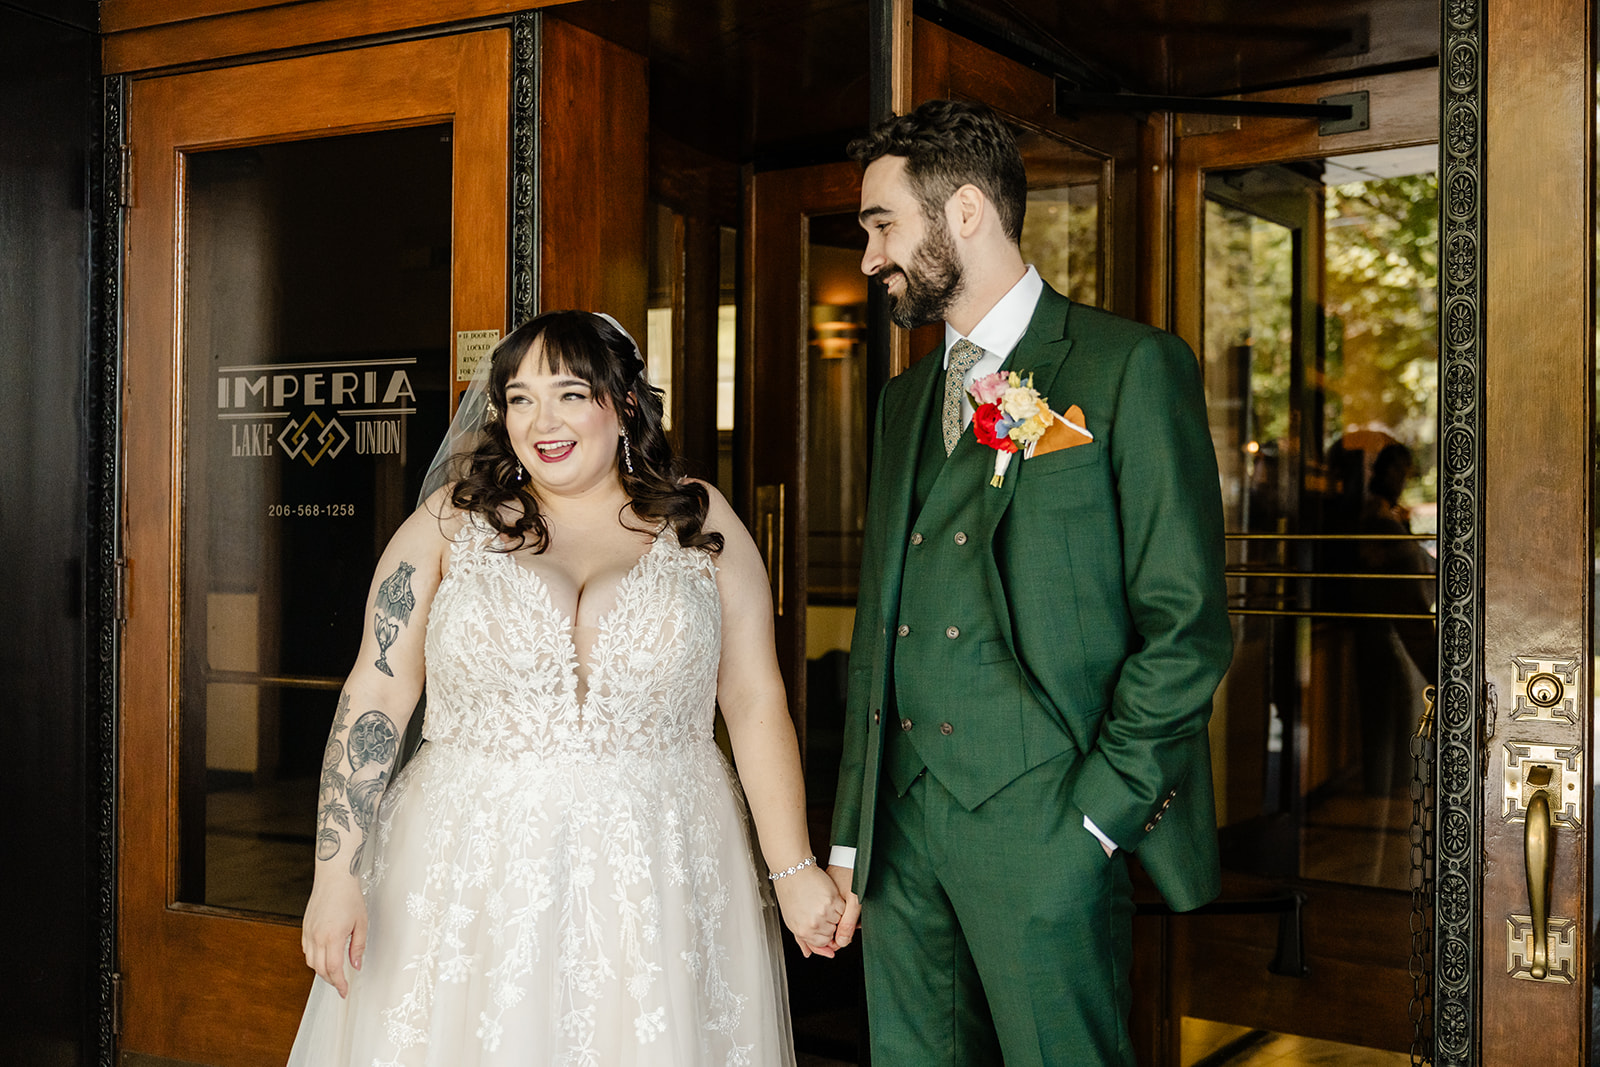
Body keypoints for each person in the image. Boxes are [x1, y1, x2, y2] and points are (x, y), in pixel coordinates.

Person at [288, 310, 843, 1065]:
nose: (541, 420)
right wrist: (334, 874)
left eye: (570, 393)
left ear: (625, 404)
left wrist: (795, 869)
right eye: (519, 398)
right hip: (465, 869)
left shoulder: (700, 523)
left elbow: (753, 702)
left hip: (658, 864)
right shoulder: (448, 524)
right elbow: (377, 695)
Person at [824, 100, 1234, 1065]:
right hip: (901, 833)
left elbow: (1187, 625)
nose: (870, 256)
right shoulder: (901, 401)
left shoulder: (1129, 366)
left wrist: (1097, 817)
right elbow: (887, 623)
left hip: (1050, 817)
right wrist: (852, 836)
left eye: (883, 224)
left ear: (964, 211)